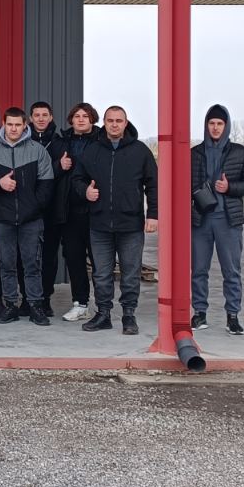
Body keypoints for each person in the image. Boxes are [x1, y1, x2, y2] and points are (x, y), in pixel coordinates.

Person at [71, 106, 158, 334]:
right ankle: (103, 314)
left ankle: (129, 315)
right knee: (101, 273)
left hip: (131, 225)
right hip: (99, 224)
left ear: (126, 123)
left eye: (119, 120)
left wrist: (153, 215)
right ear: (104, 122)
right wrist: (85, 191)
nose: (114, 124)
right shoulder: (93, 150)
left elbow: (153, 185)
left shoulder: (140, 151)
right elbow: (77, 178)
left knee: (130, 273)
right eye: (110, 120)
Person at [0, 107, 56, 326]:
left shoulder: (37, 150)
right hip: (1, 218)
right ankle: (10, 306)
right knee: (6, 265)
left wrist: (34, 207)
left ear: (24, 125)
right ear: (3, 124)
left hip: (31, 219)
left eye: (18, 125)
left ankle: (35, 306)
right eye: (9, 124)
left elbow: (47, 183)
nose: (13, 129)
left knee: (32, 265)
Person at [191, 104, 244, 336]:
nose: (215, 128)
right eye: (211, 123)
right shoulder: (194, 153)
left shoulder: (239, 153)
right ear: (206, 126)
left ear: (226, 126)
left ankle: (233, 316)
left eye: (220, 123)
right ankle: (199, 312)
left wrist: (230, 188)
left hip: (228, 221)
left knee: (231, 270)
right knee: (198, 269)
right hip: (200, 221)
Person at [57, 103, 99, 322]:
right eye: (77, 116)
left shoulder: (101, 141)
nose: (81, 119)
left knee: (100, 260)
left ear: (92, 119)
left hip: (95, 209)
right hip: (70, 210)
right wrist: (59, 165)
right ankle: (80, 304)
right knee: (74, 259)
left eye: (85, 116)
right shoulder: (63, 142)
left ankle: (103, 305)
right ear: (71, 120)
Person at [27, 101, 68, 315]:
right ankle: (28, 298)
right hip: (28, 208)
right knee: (26, 256)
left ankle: (45, 298)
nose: (41, 119)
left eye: (45, 115)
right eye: (37, 115)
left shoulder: (60, 143)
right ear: (30, 118)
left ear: (51, 117)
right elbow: (29, 173)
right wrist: (57, 166)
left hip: (53, 209)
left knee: (49, 257)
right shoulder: (23, 142)